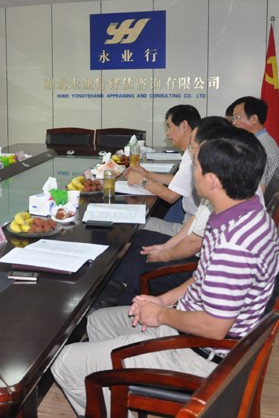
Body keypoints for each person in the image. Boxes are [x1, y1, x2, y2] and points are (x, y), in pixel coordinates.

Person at [51, 126, 279, 417]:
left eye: (196, 165)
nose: (192, 172)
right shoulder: (242, 213)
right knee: (97, 322)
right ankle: (115, 395)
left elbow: (214, 326)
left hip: (201, 354)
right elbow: (203, 278)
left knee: (65, 361)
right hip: (192, 326)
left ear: (211, 180)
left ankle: (110, 381)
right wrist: (162, 300)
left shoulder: (234, 245)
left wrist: (160, 315)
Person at [105, 117, 233, 306]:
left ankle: (120, 297)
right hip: (196, 255)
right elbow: (196, 220)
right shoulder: (217, 175)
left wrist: (165, 254)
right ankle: (119, 291)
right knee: (134, 240)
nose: (190, 151)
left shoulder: (218, 184)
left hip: (195, 265)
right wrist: (166, 247)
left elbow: (194, 242)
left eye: (193, 146)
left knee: (133, 248)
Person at [125, 104, 201, 236]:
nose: (167, 133)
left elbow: (170, 196)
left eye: (169, 126)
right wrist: (147, 174)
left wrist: (142, 180)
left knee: (131, 224)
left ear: (184, 125)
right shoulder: (192, 151)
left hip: (191, 230)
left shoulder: (193, 156)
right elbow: (179, 181)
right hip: (192, 224)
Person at [229, 96, 279, 191]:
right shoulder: (266, 140)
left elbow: (259, 188)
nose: (234, 123)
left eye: (237, 117)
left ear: (253, 119)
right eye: (233, 118)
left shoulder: (257, 147)